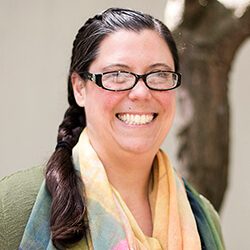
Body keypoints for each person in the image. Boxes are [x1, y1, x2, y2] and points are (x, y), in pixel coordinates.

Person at [1, 7, 224, 250]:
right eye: (118, 74)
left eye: (159, 74)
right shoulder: (15, 205)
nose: (141, 92)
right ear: (80, 88)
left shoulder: (201, 217)